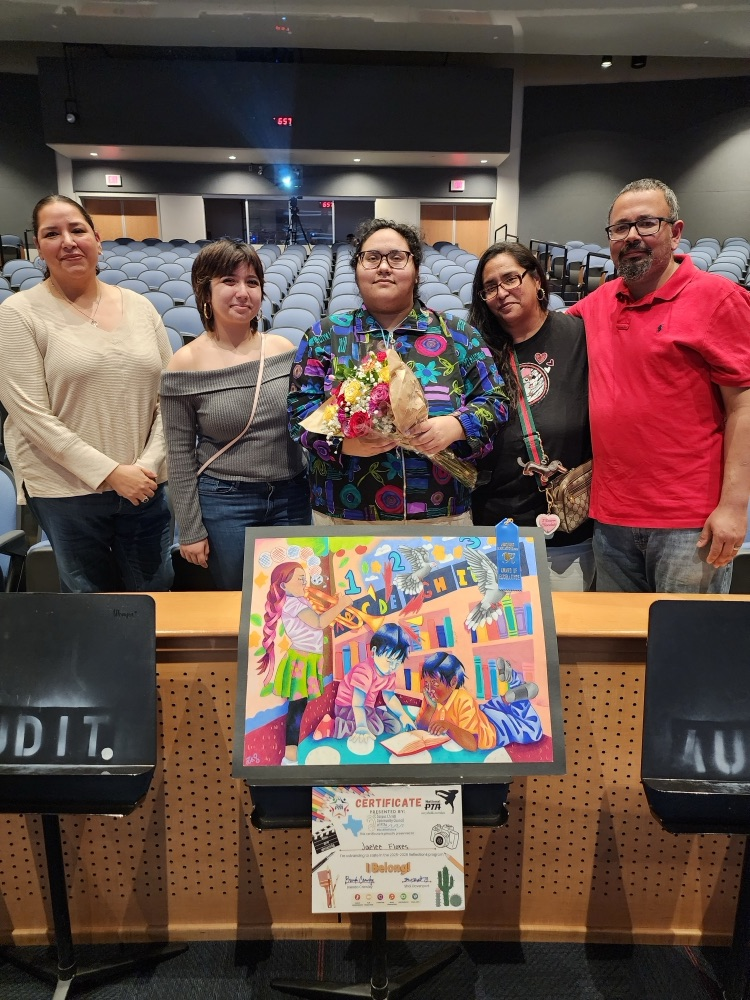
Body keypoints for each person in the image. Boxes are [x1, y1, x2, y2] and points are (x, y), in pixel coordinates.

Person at [567, 178, 750, 593]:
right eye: (620, 228)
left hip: (691, 524)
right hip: (610, 519)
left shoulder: (719, 299)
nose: (632, 237)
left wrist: (735, 508)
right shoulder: (599, 301)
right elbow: (541, 333)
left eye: (646, 224)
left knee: (685, 651)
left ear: (676, 231)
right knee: (620, 654)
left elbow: (744, 406)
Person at [0, 194, 173, 593]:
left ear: (97, 238)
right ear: (38, 247)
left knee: (156, 594)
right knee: (90, 602)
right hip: (67, 492)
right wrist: (111, 474)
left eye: (77, 230)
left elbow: (170, 397)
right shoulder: (19, 314)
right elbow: (31, 416)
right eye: (52, 234)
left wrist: (146, 466)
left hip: (145, 485)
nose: (68, 241)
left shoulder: (141, 307)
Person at [288, 218, 509, 524]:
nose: (383, 267)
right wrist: (346, 444)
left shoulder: (458, 334)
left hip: (440, 512)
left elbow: (496, 400)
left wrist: (455, 427)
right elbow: (299, 414)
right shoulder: (324, 336)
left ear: (416, 268)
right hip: (345, 512)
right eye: (371, 257)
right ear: (356, 268)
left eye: (396, 257)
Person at [160, 239, 311, 590]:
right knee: (238, 601)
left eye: (252, 282)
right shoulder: (185, 363)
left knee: (294, 597)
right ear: (205, 291)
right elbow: (179, 455)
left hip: (291, 495)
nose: (243, 292)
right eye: (229, 281)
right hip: (226, 501)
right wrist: (191, 529)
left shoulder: (283, 350)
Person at [468, 241, 594, 591]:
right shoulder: (477, 348)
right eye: (490, 287)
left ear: (537, 279)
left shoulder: (579, 336)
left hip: (569, 520)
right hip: (498, 521)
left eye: (511, 279)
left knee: (565, 633)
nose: (501, 293)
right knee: (509, 629)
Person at [258, 561, 349, 764]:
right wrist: (341, 606)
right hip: (300, 662)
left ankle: (291, 754)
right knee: (297, 709)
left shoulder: (300, 601)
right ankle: (290, 757)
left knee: (300, 706)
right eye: (300, 579)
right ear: (283, 585)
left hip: (308, 659)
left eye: (304, 578)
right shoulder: (293, 604)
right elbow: (319, 622)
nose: (305, 583)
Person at [416, 652, 543, 752]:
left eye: (434, 683)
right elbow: (421, 728)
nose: (429, 688)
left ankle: (517, 688)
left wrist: (449, 726)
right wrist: (430, 709)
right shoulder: (430, 698)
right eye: (426, 683)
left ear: (453, 682)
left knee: (531, 730)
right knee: (497, 705)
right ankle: (509, 693)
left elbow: (472, 744)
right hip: (482, 713)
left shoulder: (462, 698)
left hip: (496, 728)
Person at [332, 622, 416, 742]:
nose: (393, 667)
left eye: (398, 663)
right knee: (377, 728)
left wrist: (403, 716)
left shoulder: (389, 673)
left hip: (367, 707)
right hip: (347, 707)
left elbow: (390, 697)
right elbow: (357, 703)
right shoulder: (364, 670)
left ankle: (370, 723)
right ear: (375, 651)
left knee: (395, 726)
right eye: (390, 661)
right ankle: (335, 726)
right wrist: (361, 727)